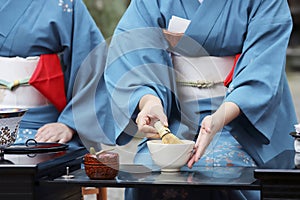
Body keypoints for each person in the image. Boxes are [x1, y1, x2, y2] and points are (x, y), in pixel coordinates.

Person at [105, 0, 298, 199]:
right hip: (173, 116)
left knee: (217, 172)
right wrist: (149, 102)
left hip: (239, 122)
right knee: (146, 173)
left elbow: (264, 67)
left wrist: (219, 119)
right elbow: (131, 51)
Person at [0, 0, 114, 150]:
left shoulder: (64, 4)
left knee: (59, 161)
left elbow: (92, 64)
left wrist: (70, 123)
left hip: (42, 129)